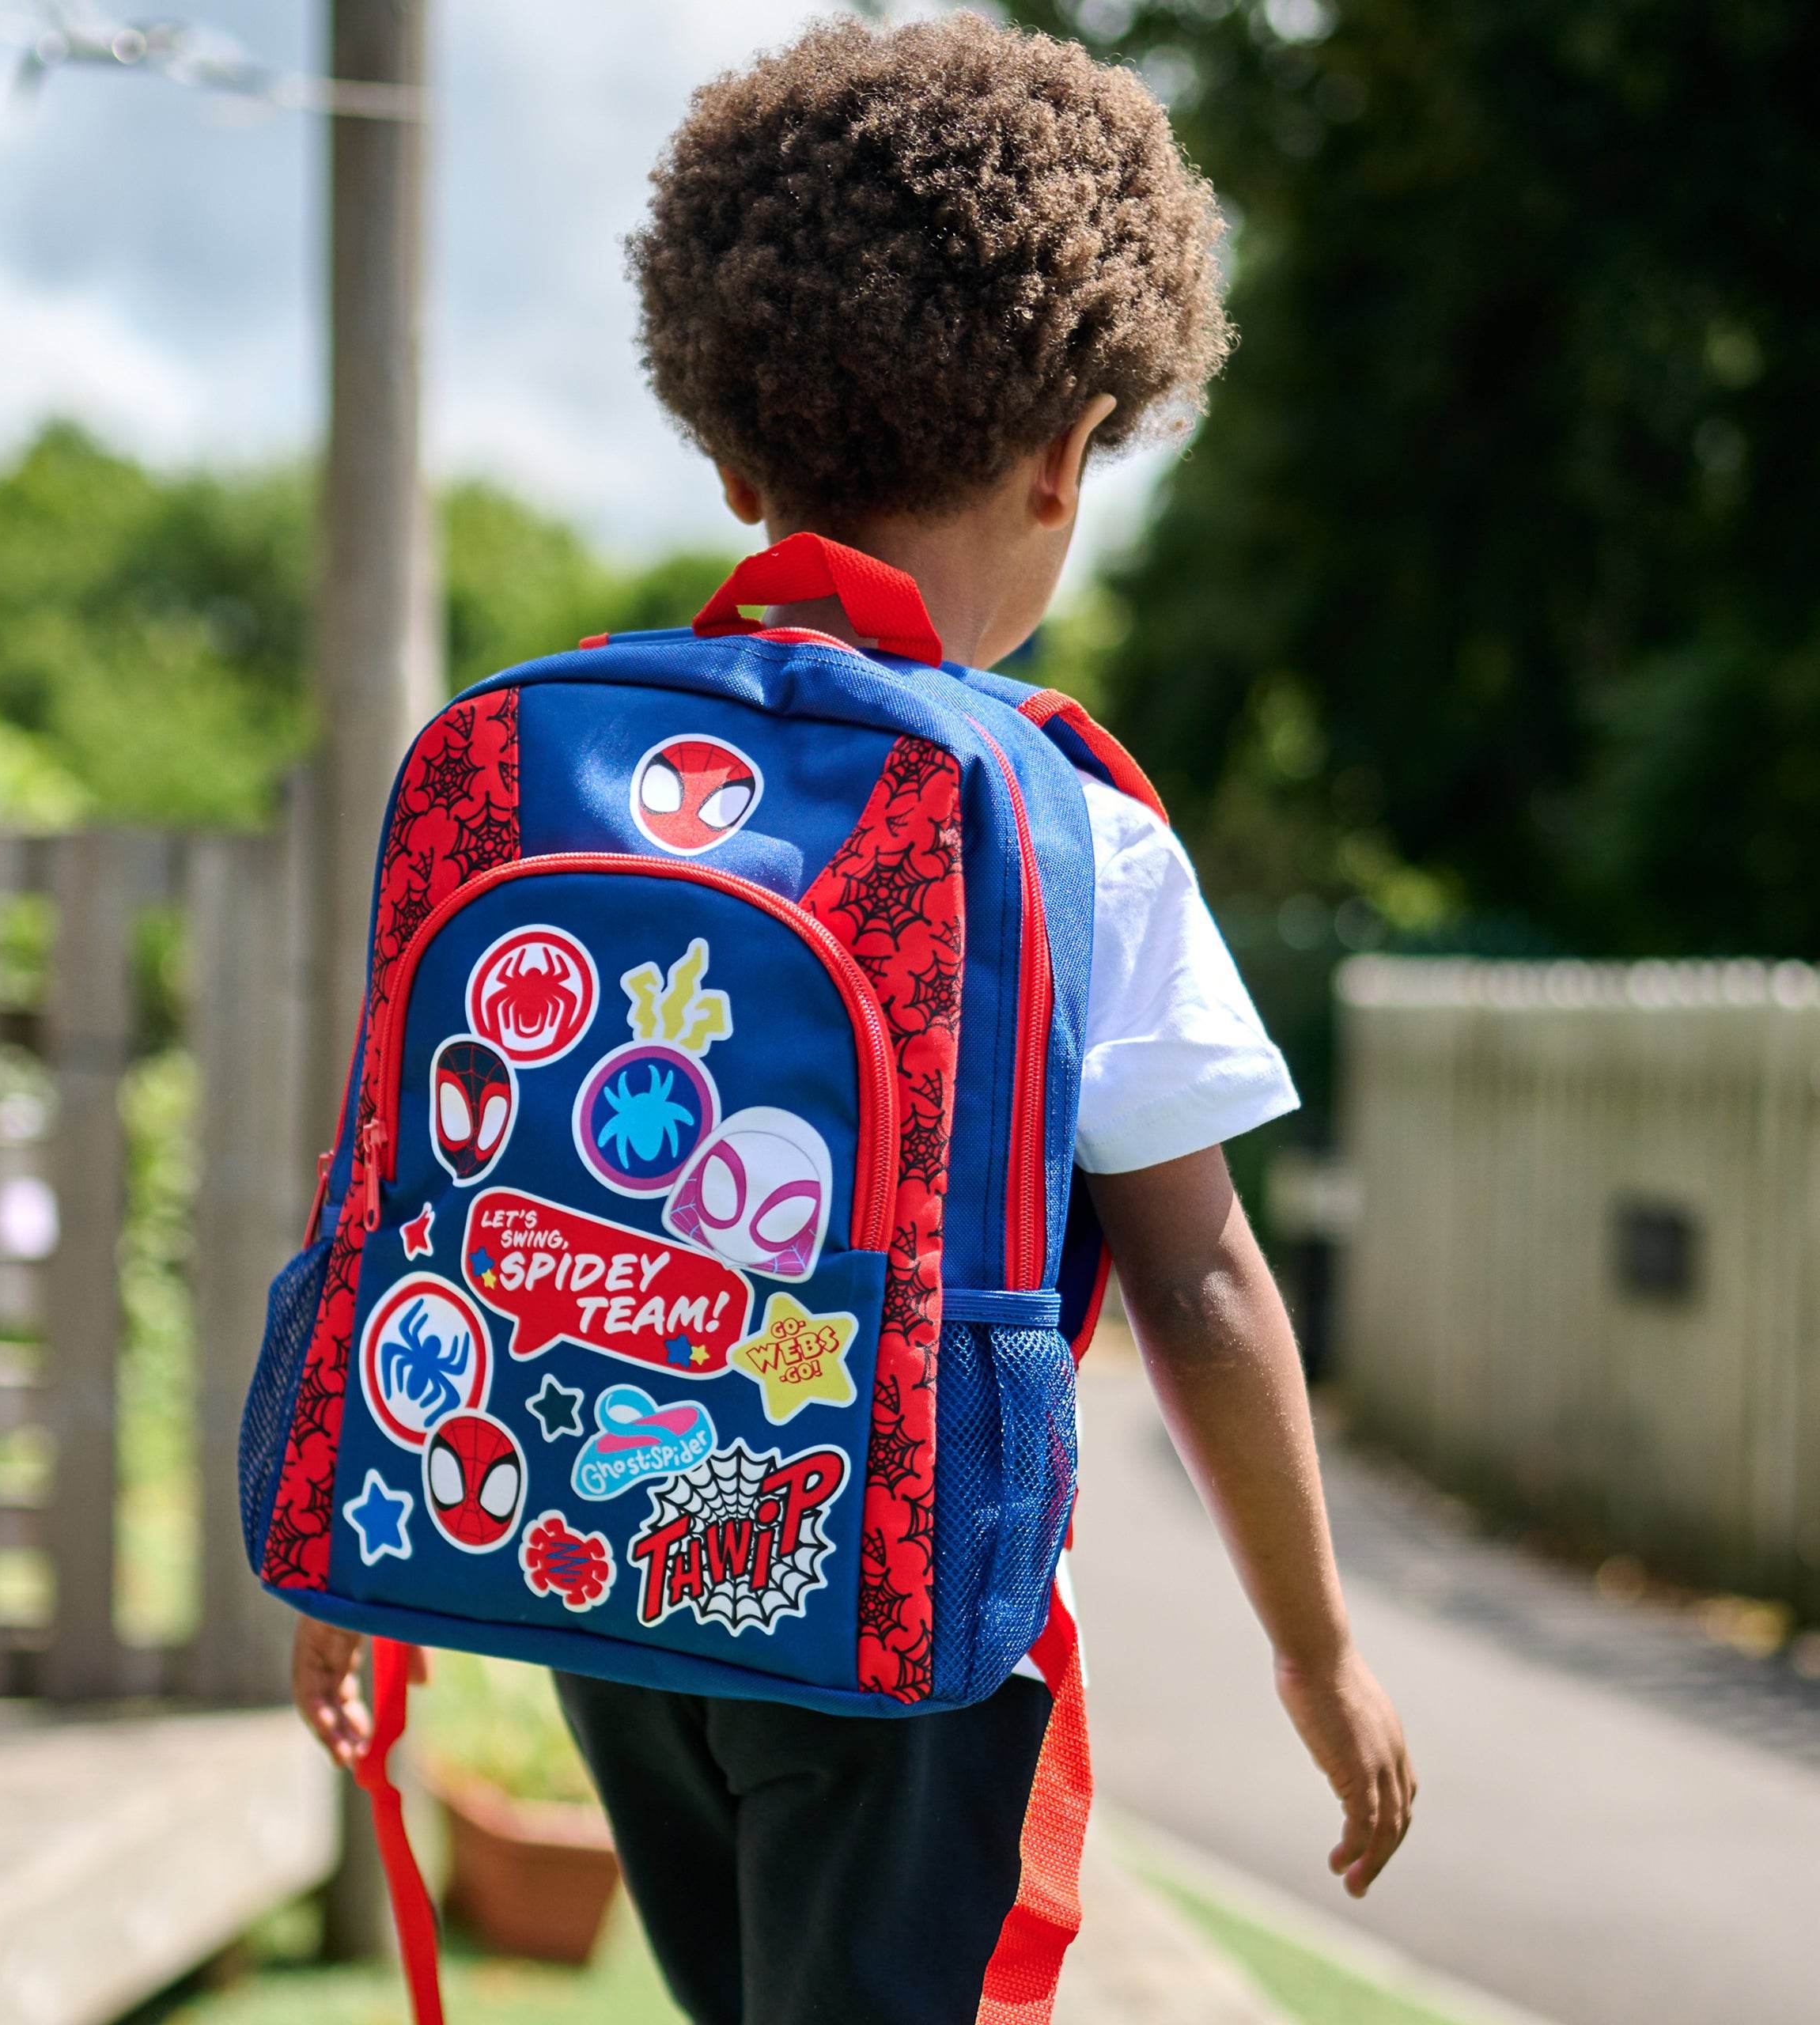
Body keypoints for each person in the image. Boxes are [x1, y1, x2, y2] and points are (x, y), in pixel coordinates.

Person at [293, 15, 1415, 2023]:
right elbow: (1205, 1283)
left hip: (599, 1576)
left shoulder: (539, 759)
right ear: (1070, 457)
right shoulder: (1067, 823)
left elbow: (423, 1175)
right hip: (904, 1621)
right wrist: (1316, 1647)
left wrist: (356, 1558)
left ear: (729, 454)